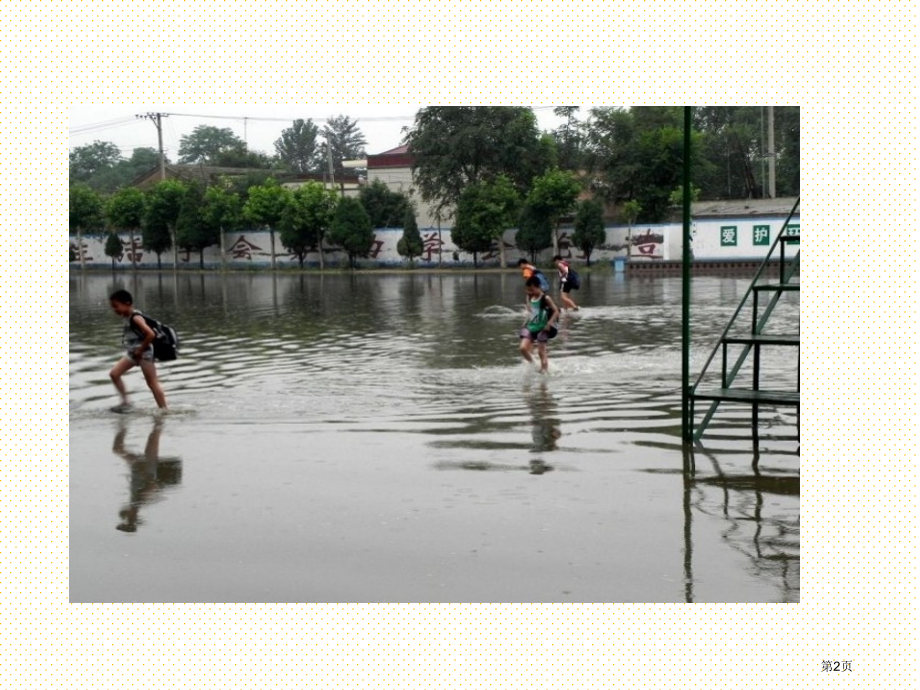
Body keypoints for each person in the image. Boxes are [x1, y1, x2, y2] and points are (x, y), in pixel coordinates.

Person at [108, 289, 168, 412]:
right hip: (133, 353)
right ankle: (126, 403)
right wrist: (136, 351)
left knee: (152, 383)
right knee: (114, 374)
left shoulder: (136, 318)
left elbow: (150, 334)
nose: (114, 310)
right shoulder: (126, 317)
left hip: (144, 353)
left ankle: (164, 410)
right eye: (113, 307)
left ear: (127, 303)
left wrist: (140, 350)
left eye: (116, 306)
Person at [519, 275, 560, 374]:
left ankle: (544, 372)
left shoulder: (546, 298)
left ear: (538, 287)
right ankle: (534, 364)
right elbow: (531, 312)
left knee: (541, 352)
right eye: (528, 290)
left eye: (532, 290)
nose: (530, 292)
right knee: (522, 348)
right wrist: (525, 323)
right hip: (532, 326)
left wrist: (549, 324)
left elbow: (556, 311)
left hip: (543, 328)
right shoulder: (531, 297)